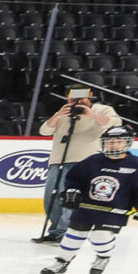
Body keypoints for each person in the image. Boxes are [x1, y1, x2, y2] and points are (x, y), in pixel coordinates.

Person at [40, 123, 138, 274]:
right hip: (86, 208)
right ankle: (61, 262)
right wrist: (72, 192)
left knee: (100, 235)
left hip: (115, 209)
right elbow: (73, 180)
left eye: (118, 141)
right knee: (73, 234)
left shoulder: (137, 164)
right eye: (110, 141)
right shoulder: (93, 160)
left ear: (127, 142)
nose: (114, 145)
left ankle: (103, 257)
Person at [38, 84, 125, 242]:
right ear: (67, 98)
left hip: (84, 160)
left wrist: (91, 114)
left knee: (71, 198)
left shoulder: (102, 109)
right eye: (73, 98)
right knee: (51, 197)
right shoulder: (64, 112)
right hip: (58, 160)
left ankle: (65, 232)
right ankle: (56, 230)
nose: (78, 101)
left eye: (82, 97)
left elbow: (115, 124)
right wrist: (58, 115)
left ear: (90, 95)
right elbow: (44, 131)